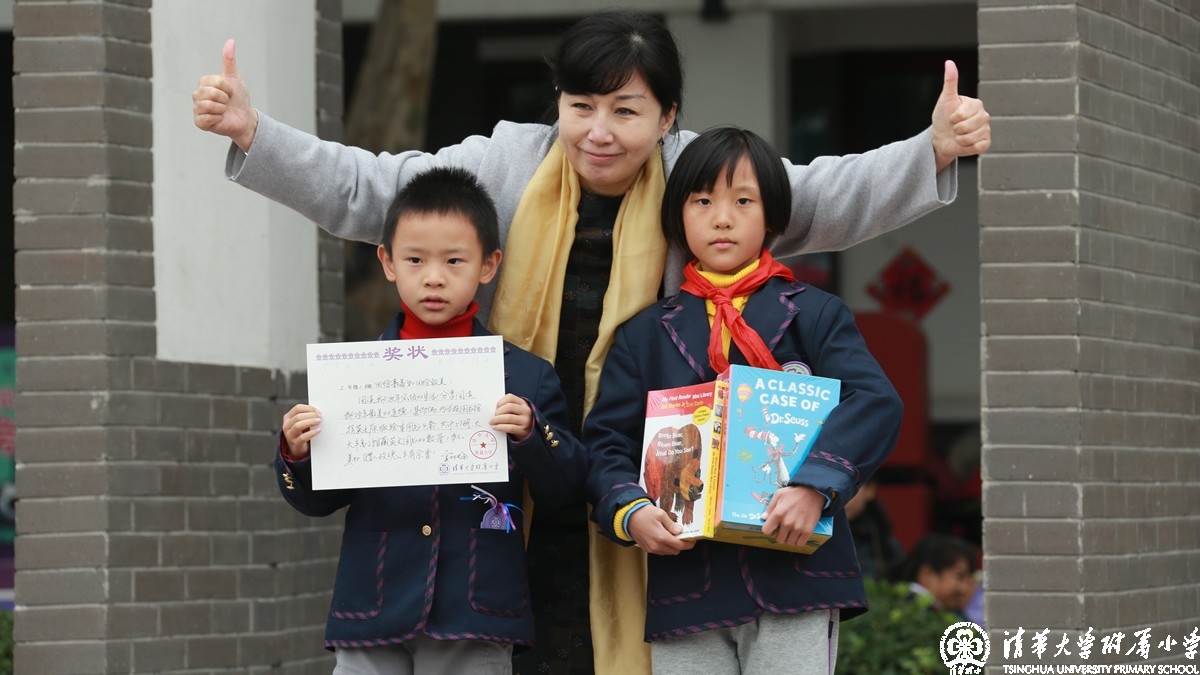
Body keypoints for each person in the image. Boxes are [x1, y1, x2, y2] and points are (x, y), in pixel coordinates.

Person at [193, 11, 991, 673]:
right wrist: (253, 132)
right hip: (513, 461)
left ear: (668, 117)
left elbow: (816, 191)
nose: (599, 132)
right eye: (581, 106)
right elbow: (370, 189)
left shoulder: (697, 181)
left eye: (626, 110)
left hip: (633, 476)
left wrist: (933, 149)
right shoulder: (506, 162)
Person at [585, 126, 904, 674]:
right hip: (688, 586)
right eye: (702, 200)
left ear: (772, 216)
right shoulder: (642, 335)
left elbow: (875, 401)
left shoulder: (816, 315)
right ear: (677, 217)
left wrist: (815, 486)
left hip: (796, 576)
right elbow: (606, 442)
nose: (722, 217)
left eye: (743, 200)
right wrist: (630, 510)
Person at [276, 167, 588, 674]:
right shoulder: (351, 380)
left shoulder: (525, 377)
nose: (434, 277)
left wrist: (533, 433)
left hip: (475, 608)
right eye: (415, 259)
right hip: (372, 607)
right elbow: (316, 501)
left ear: (489, 265)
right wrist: (296, 452)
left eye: (454, 260)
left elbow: (567, 487)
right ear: (387, 261)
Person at [891, 532, 979, 619]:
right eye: (959, 577)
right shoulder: (908, 610)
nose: (964, 589)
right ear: (928, 575)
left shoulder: (949, 611)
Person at [844, 478, 906, 579]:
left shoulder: (883, 542)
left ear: (870, 490)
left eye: (850, 487)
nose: (842, 495)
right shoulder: (812, 530)